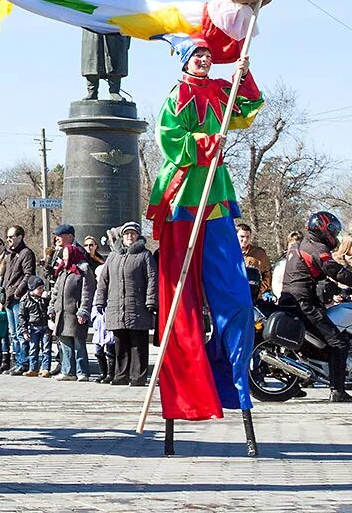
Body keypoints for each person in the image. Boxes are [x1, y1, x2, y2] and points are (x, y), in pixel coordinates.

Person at [145, 40, 261, 421]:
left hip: (218, 196)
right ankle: (186, 389)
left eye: (208, 55)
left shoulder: (219, 90)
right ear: (185, 61)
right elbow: (170, 139)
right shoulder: (177, 95)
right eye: (198, 55)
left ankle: (233, 380)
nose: (205, 59)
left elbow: (245, 112)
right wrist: (209, 143)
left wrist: (243, 75)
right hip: (184, 195)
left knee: (238, 299)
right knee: (182, 300)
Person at [282, 212, 352, 402]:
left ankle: (295, 383)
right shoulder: (316, 247)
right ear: (322, 229)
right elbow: (334, 270)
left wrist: (337, 289)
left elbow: (318, 277)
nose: (335, 235)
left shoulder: (300, 244)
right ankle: (338, 391)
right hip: (303, 303)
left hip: (293, 299)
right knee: (338, 342)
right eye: (332, 230)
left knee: (311, 343)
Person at [95, 221, 157, 386]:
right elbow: (103, 281)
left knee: (138, 344)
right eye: (127, 234)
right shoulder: (114, 256)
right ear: (122, 236)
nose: (130, 236)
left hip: (138, 306)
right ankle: (121, 376)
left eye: (133, 233)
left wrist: (151, 301)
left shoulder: (145, 255)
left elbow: (152, 279)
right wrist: (99, 301)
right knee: (120, 344)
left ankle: (138, 377)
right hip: (116, 307)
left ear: (138, 236)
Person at [76, 0, 131, 101]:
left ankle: (115, 90)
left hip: (113, 20)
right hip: (93, 19)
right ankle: (92, 90)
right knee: (93, 55)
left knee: (115, 54)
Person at [49, 231, 96, 382]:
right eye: (63, 256)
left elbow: (87, 292)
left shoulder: (83, 271)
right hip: (61, 313)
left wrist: (83, 310)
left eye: (66, 256)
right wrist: (52, 308)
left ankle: (83, 372)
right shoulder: (62, 271)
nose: (64, 259)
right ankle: (68, 371)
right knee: (64, 343)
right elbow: (55, 292)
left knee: (78, 343)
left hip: (75, 314)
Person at [1, 225, 36, 375]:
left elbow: (28, 275)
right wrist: (1, 294)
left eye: (12, 237)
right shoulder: (10, 255)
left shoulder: (26, 253)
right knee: (13, 333)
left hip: (18, 299)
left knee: (21, 333)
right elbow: (6, 277)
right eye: (7, 237)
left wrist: (17, 292)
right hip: (8, 298)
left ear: (20, 237)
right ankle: (17, 362)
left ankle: (24, 362)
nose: (9, 239)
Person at [17, 276, 49, 377]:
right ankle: (33, 368)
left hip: (45, 326)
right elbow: (22, 316)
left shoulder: (45, 298)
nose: (41, 290)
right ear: (32, 289)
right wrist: (24, 331)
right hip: (33, 327)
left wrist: (46, 299)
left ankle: (45, 368)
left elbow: (51, 308)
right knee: (33, 348)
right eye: (39, 288)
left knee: (46, 348)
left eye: (42, 288)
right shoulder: (25, 300)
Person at [236, 223, 272, 300]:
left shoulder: (259, 253)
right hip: (233, 297)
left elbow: (267, 274)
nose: (245, 240)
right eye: (242, 236)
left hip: (253, 298)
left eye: (247, 237)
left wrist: (258, 291)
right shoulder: (229, 253)